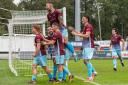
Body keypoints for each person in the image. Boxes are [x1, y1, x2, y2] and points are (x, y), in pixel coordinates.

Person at [46, 2, 76, 81]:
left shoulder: (57, 12)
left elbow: (60, 21)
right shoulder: (48, 15)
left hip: (61, 29)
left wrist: (59, 28)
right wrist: (50, 30)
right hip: (55, 30)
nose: (46, 7)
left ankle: (74, 53)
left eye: (47, 5)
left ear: (51, 5)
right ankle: (58, 77)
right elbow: (49, 24)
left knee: (65, 42)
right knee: (57, 62)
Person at [71, 16, 97, 81]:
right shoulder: (85, 27)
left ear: (87, 19)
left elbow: (86, 36)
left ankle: (90, 77)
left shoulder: (88, 26)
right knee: (85, 61)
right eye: (81, 18)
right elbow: (82, 34)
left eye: (83, 19)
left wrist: (76, 34)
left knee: (86, 61)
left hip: (89, 45)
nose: (82, 19)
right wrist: (75, 32)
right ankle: (94, 72)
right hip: (86, 45)